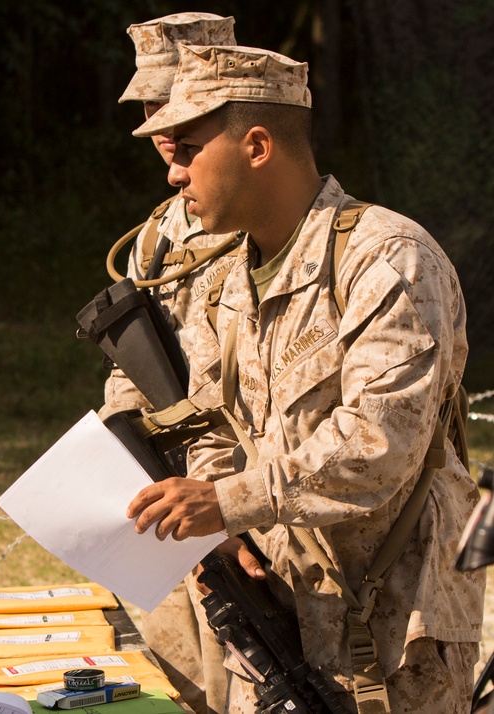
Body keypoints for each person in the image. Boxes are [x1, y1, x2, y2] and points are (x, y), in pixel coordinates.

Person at [124, 44, 485, 713]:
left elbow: (379, 447)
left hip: (393, 634)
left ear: (256, 145)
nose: (173, 176)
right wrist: (221, 525)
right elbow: (210, 416)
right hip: (279, 622)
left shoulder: (388, 260)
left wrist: (229, 501)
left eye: (188, 149)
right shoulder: (230, 277)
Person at [102, 14, 238, 714]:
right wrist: (117, 440)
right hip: (171, 508)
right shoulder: (155, 234)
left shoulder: (266, 217)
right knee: (184, 690)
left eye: (173, 104)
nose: (156, 123)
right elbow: (131, 364)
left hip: (249, 510)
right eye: (148, 106)